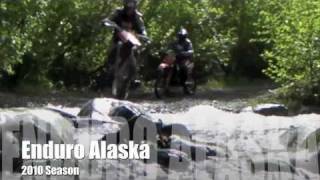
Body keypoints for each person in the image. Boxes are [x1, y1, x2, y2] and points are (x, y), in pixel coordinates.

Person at [103, 0, 147, 86]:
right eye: (128, 2)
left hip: (131, 39)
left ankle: (134, 76)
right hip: (118, 38)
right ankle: (108, 70)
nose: (130, 5)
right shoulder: (118, 12)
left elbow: (142, 27)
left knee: (136, 52)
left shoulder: (137, 16)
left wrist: (144, 35)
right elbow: (109, 19)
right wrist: (106, 22)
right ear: (125, 3)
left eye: (132, 3)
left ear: (135, 4)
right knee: (111, 50)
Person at [170, 28, 194, 93]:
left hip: (185, 58)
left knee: (183, 68)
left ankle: (185, 85)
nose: (181, 38)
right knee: (169, 65)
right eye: (180, 36)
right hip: (176, 58)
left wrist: (185, 53)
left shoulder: (188, 42)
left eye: (182, 36)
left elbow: (191, 50)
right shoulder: (175, 42)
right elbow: (170, 47)